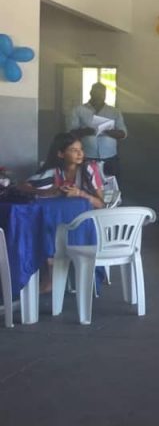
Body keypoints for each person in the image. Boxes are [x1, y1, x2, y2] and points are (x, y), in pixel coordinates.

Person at [20, 132, 105, 292]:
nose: (80, 153)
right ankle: (52, 275)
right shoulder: (55, 172)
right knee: (47, 224)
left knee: (53, 227)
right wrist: (48, 192)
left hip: (88, 223)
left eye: (81, 149)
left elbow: (101, 205)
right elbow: (23, 186)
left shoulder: (89, 169)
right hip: (64, 220)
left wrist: (80, 193)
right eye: (74, 150)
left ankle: (53, 277)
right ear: (60, 154)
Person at [68, 82, 127, 180]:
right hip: (87, 156)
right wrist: (86, 131)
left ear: (105, 95)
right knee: (87, 183)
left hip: (110, 157)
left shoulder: (114, 112)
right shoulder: (79, 110)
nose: (99, 96)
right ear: (91, 93)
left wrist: (108, 131)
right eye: (96, 93)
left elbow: (123, 134)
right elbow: (71, 133)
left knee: (111, 184)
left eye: (102, 94)